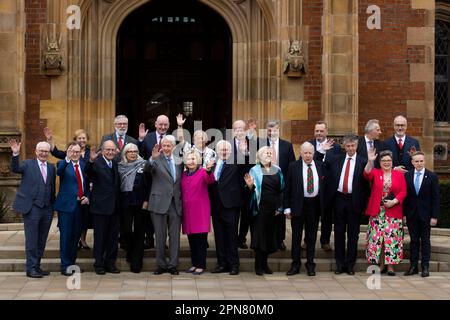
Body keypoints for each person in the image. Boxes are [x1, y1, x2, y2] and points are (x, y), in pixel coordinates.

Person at [10, 140, 56, 278]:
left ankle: (37, 266)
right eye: (41, 151)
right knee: (32, 240)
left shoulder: (51, 167)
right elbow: (15, 168)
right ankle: (30, 268)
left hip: (47, 208)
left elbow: (51, 187)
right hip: (32, 208)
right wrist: (16, 153)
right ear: (36, 151)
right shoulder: (27, 164)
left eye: (46, 151)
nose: (43, 153)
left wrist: (52, 205)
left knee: (42, 240)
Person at [43, 127, 92, 250]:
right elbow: (56, 154)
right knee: (67, 234)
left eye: (83, 138)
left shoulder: (90, 154)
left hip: (84, 196)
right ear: (75, 140)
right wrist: (50, 141)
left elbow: (90, 173)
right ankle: (67, 261)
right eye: (79, 138)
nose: (81, 140)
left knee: (83, 221)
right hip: (69, 200)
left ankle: (82, 240)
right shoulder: (69, 154)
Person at [324, 135, 367, 275]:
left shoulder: (363, 162)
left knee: (353, 234)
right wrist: (322, 152)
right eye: (347, 146)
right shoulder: (336, 160)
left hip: (354, 201)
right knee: (339, 232)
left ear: (356, 146)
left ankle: (350, 265)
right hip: (339, 199)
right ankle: (339, 264)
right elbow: (321, 166)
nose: (350, 148)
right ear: (344, 146)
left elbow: (367, 184)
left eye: (352, 146)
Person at [284, 142, 326, 276]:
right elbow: (287, 189)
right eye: (305, 153)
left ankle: (310, 264)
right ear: (300, 153)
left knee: (311, 237)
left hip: (314, 205)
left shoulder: (320, 166)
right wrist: (287, 208)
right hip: (298, 205)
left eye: (310, 153)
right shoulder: (293, 167)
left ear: (313, 153)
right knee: (296, 237)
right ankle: (295, 265)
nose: (308, 155)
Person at [364, 149, 407, 276]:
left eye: (389, 160)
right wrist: (370, 161)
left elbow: (404, 191)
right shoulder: (375, 172)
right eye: (384, 161)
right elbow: (366, 175)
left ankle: (390, 267)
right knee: (379, 240)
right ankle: (381, 264)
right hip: (377, 212)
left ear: (392, 162)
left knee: (392, 239)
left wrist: (394, 201)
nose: (386, 163)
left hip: (393, 210)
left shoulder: (398, 174)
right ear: (380, 162)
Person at [145, 135, 183, 275]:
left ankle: (173, 264)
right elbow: (147, 170)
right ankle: (161, 265)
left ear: (173, 146)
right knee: (160, 236)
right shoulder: (156, 159)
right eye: (164, 146)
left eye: (169, 146)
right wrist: (152, 159)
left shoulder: (179, 161)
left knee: (175, 237)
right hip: (159, 203)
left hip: (175, 203)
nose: (166, 148)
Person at [244, 146, 285, 275]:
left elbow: (282, 190)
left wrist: (280, 207)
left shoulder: (277, 170)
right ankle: (258, 266)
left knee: (269, 236)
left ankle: (265, 264)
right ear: (260, 155)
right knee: (259, 237)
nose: (268, 155)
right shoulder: (254, 170)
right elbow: (250, 190)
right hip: (260, 208)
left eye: (270, 153)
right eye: (266, 153)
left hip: (274, 209)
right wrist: (250, 186)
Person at [54, 142, 89, 276]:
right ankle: (65, 265)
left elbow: (87, 184)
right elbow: (59, 172)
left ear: (80, 152)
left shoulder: (83, 165)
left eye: (77, 151)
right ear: (68, 152)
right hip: (66, 207)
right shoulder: (63, 164)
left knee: (75, 238)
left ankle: (72, 264)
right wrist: (67, 158)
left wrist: (87, 196)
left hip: (80, 207)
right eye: (71, 151)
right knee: (66, 237)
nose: (74, 153)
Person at [86, 140, 121, 275]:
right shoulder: (96, 163)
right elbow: (87, 172)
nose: (110, 152)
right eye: (108, 150)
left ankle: (110, 263)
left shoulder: (116, 163)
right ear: (102, 150)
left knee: (113, 238)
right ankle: (99, 264)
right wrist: (90, 161)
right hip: (100, 208)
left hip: (115, 208)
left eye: (113, 150)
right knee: (100, 237)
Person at [210, 140, 245, 275]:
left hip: (231, 205)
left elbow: (248, 161)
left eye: (226, 150)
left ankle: (234, 265)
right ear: (217, 151)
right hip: (216, 205)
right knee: (219, 237)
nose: (224, 152)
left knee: (231, 236)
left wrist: (245, 148)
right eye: (221, 150)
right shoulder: (212, 163)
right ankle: (222, 263)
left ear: (231, 151)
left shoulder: (236, 162)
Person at [305, 121, 340, 252]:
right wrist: (320, 152)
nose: (318, 133)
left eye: (321, 131)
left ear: (326, 131)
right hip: (311, 185)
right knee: (310, 215)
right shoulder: (309, 145)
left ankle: (325, 241)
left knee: (327, 215)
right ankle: (307, 241)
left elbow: (336, 166)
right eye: (317, 131)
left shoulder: (335, 147)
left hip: (328, 186)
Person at [403, 151, 440, 277]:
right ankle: (413, 266)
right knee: (413, 240)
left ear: (424, 161)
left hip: (426, 215)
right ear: (412, 162)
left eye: (421, 161)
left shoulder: (432, 176)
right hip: (412, 214)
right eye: (416, 161)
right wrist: (404, 214)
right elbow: (405, 197)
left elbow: (435, 198)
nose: (419, 163)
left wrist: (434, 216)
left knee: (425, 240)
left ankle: (425, 267)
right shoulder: (407, 176)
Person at [262, 120, 295, 251]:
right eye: (269, 130)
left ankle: (280, 240)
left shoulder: (287, 146)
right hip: (265, 186)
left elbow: (291, 165)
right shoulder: (260, 144)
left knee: (280, 215)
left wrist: (288, 184)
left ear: (278, 130)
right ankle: (267, 239)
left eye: (274, 130)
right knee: (266, 214)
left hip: (281, 186)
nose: (271, 132)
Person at [181, 150, 215, 275]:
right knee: (192, 241)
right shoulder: (184, 175)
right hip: (188, 213)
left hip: (200, 212)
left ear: (198, 161)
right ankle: (194, 263)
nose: (191, 161)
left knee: (200, 241)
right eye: (189, 159)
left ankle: (201, 265)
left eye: (194, 159)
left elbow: (210, 180)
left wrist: (209, 170)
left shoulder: (202, 172)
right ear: (185, 161)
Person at [118, 143, 150, 273]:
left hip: (140, 202)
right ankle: (130, 253)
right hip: (124, 202)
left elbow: (149, 183)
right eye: (130, 151)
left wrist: (147, 200)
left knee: (139, 231)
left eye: (135, 151)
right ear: (125, 153)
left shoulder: (144, 165)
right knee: (126, 229)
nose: (132, 153)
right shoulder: (119, 166)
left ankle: (137, 263)